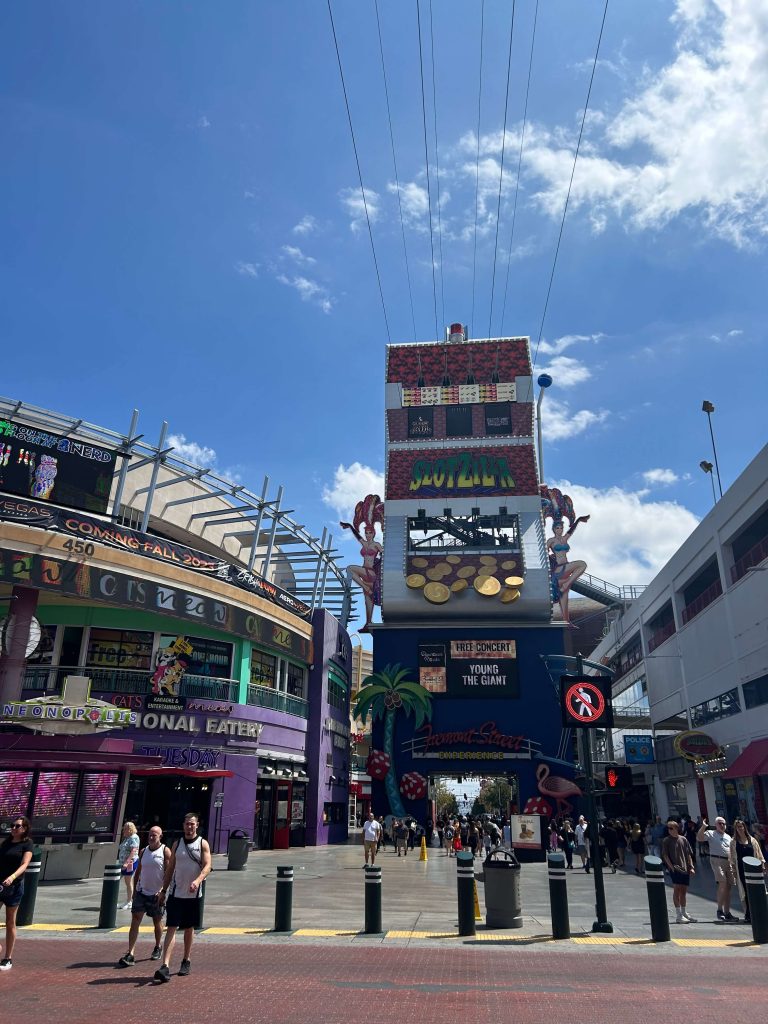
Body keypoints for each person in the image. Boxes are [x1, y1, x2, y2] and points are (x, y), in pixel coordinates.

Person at [154, 813, 211, 982]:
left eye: (192, 824)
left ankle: (186, 959)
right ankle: (165, 965)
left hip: (193, 895)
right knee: (171, 926)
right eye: (187, 824)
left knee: (188, 928)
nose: (189, 827)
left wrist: (198, 880)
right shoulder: (177, 844)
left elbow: (208, 865)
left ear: (197, 825)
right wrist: (163, 890)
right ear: (183, 825)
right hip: (176, 893)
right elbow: (170, 869)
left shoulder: (202, 844)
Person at [117, 824, 172, 967]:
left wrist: (163, 890)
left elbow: (169, 873)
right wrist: (135, 890)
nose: (152, 837)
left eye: (155, 835)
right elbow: (139, 872)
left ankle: (158, 946)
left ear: (160, 836)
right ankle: (131, 953)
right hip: (142, 891)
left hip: (156, 894)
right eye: (150, 835)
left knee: (157, 921)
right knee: (135, 920)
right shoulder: (143, 852)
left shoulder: (165, 851)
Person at [0, 817, 34, 970]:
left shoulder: (27, 844)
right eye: (12, 826)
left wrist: (13, 876)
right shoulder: (6, 843)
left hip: (14, 886)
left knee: (9, 921)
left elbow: (25, 864)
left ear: (25, 828)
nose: (13, 828)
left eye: (17, 826)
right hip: (0, 884)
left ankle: (8, 957)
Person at [546, 515, 590, 623]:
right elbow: (542, 552)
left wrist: (579, 520)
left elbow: (572, 530)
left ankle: (567, 622)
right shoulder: (551, 541)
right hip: (559, 569)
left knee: (564, 596)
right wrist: (551, 557)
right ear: (553, 529)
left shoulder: (565, 539)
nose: (559, 530)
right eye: (557, 528)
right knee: (582, 564)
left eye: (561, 528)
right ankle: (566, 583)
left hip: (566, 568)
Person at [697, 816, 737, 921]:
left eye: (724, 823)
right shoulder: (711, 833)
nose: (722, 825)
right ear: (715, 824)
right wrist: (703, 827)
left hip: (728, 862)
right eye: (720, 823)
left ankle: (727, 912)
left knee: (728, 887)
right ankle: (719, 910)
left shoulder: (728, 836)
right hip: (717, 860)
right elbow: (699, 838)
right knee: (722, 882)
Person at [728, 819, 765, 924]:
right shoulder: (733, 842)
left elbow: (759, 854)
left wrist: (762, 866)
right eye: (737, 827)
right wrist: (733, 872)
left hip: (754, 870)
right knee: (745, 892)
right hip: (741, 870)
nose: (740, 829)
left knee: (755, 891)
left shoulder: (752, 840)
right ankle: (748, 914)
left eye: (741, 826)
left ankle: (758, 912)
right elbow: (732, 859)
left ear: (745, 827)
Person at [661, 820, 697, 924]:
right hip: (675, 868)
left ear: (677, 828)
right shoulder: (666, 840)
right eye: (668, 828)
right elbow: (665, 855)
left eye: (671, 828)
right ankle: (678, 914)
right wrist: (671, 867)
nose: (669, 830)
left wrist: (691, 866)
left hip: (685, 868)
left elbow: (688, 854)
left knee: (684, 891)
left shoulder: (683, 839)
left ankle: (684, 912)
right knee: (677, 889)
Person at [118, 821, 140, 910]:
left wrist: (127, 863)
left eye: (126, 828)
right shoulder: (127, 838)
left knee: (128, 882)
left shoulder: (134, 837)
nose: (124, 830)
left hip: (130, 863)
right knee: (124, 881)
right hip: (122, 863)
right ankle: (127, 901)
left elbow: (133, 851)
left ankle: (129, 901)